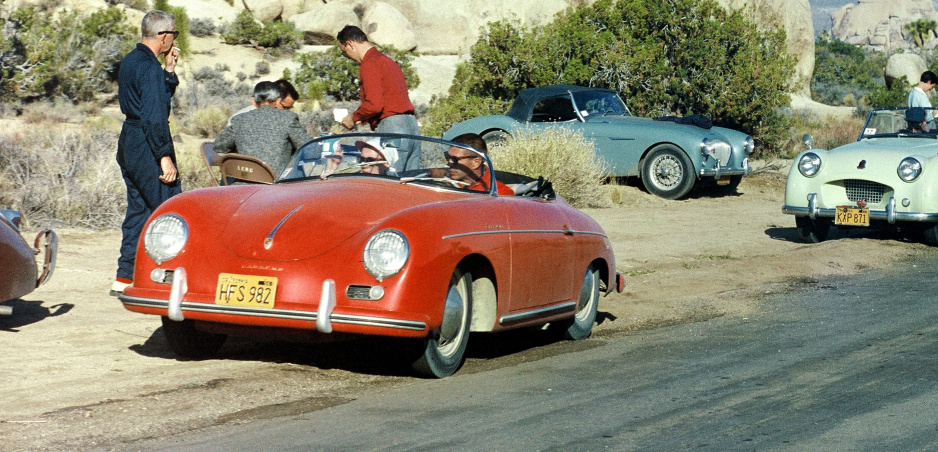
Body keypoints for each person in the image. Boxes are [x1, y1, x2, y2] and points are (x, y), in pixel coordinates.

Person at [112, 10, 182, 296]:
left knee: (139, 209)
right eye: (173, 35)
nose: (173, 40)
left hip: (129, 140)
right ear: (163, 36)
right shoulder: (149, 67)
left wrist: (169, 72)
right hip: (146, 142)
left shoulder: (131, 61)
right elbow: (154, 115)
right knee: (172, 208)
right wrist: (163, 155)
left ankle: (124, 276)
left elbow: (152, 99)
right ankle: (169, 277)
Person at [335, 25, 420, 171]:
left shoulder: (369, 64)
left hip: (393, 127)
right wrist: (366, 117)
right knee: (410, 182)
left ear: (350, 44)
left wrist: (353, 117)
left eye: (345, 52)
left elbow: (374, 105)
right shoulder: (387, 61)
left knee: (390, 182)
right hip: (412, 127)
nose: (347, 57)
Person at [213, 81, 313, 176]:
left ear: (253, 102)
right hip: (279, 184)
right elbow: (309, 148)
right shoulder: (289, 118)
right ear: (278, 101)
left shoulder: (238, 119)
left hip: (245, 182)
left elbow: (219, 145)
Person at [446, 133, 514, 195]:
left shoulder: (499, 193)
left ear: (476, 162)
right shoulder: (453, 180)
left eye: (455, 159)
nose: (449, 163)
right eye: (447, 157)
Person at [227, 79, 300, 125]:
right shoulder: (238, 120)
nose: (287, 112)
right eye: (285, 108)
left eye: (290, 108)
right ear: (276, 100)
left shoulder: (283, 122)